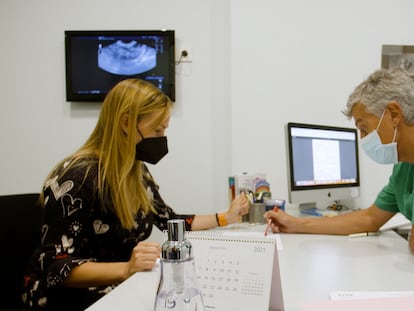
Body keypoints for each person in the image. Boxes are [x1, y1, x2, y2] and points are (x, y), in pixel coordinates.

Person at [22, 78, 250, 310]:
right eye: (157, 130)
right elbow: (54, 266)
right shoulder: (78, 177)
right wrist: (127, 268)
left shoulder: (135, 169)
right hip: (69, 299)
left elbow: (168, 219)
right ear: (126, 123)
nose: (162, 138)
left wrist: (225, 217)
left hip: (118, 287)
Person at [265, 68, 414, 254]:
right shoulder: (403, 169)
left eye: (364, 129)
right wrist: (296, 224)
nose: (363, 139)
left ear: (393, 114)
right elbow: (369, 218)